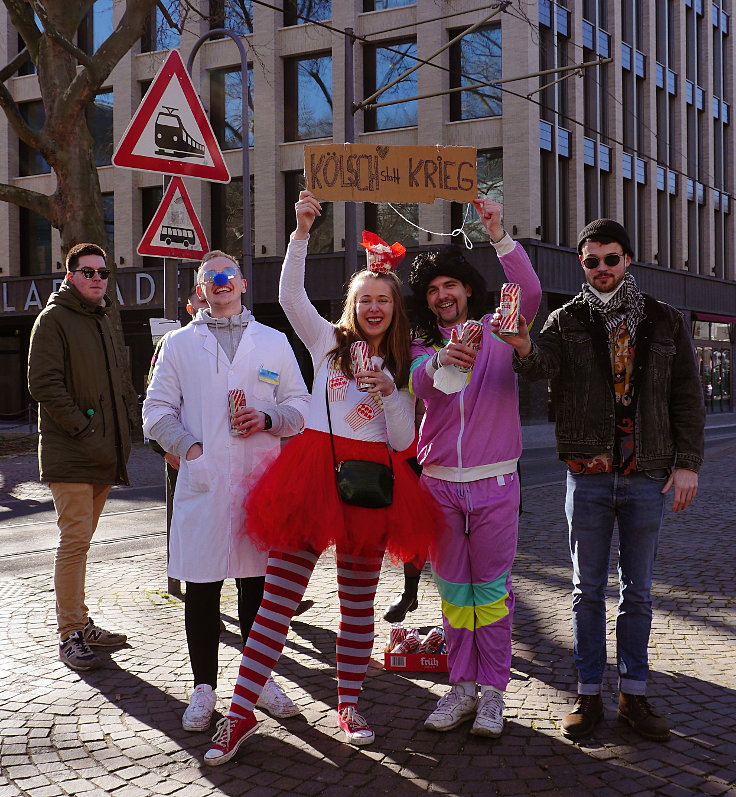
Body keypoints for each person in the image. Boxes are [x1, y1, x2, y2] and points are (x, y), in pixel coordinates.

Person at [203, 191, 441, 765]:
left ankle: (350, 703)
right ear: (353, 306)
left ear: (395, 307)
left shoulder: (404, 363)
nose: (375, 308)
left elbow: (406, 443)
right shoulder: (326, 342)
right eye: (366, 299)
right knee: (277, 603)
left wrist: (389, 393)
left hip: (371, 486)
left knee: (357, 604)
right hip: (311, 478)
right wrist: (302, 229)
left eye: (384, 299)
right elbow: (288, 294)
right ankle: (238, 713)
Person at [492, 218, 705, 742]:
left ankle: (634, 694)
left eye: (611, 259)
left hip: (647, 476)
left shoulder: (664, 321)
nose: (603, 268)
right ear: (581, 265)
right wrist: (521, 344)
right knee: (586, 591)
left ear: (627, 260)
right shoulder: (567, 321)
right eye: (593, 261)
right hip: (586, 476)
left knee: (639, 593)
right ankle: (587, 695)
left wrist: (688, 463)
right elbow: (539, 365)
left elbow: (686, 393)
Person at [142, 250, 311, 733]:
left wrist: (270, 418)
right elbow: (155, 411)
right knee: (202, 588)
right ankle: (203, 688)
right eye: (209, 277)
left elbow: (300, 403)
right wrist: (189, 447)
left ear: (241, 284)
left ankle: (260, 680)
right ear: (201, 290)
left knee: (257, 586)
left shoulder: (273, 343)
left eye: (227, 275)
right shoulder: (178, 345)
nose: (219, 283)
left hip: (260, 481)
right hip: (206, 480)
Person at [408, 200, 542, 738]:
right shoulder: (420, 346)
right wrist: (440, 360)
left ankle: (492, 693)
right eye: (433, 290)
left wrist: (498, 234)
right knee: (454, 595)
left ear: (466, 288)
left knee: (490, 592)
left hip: (494, 485)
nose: (443, 295)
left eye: (450, 285)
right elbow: (419, 384)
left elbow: (529, 291)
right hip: (438, 487)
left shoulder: (499, 331)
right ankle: (461, 686)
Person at [28, 242, 131, 672]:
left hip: (102, 450)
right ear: (70, 275)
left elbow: (118, 379)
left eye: (102, 273)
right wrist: (83, 427)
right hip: (71, 451)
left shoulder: (105, 317)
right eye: (87, 272)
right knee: (73, 542)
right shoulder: (52, 318)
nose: (96, 279)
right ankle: (69, 633)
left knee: (83, 543)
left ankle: (82, 622)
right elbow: (43, 383)